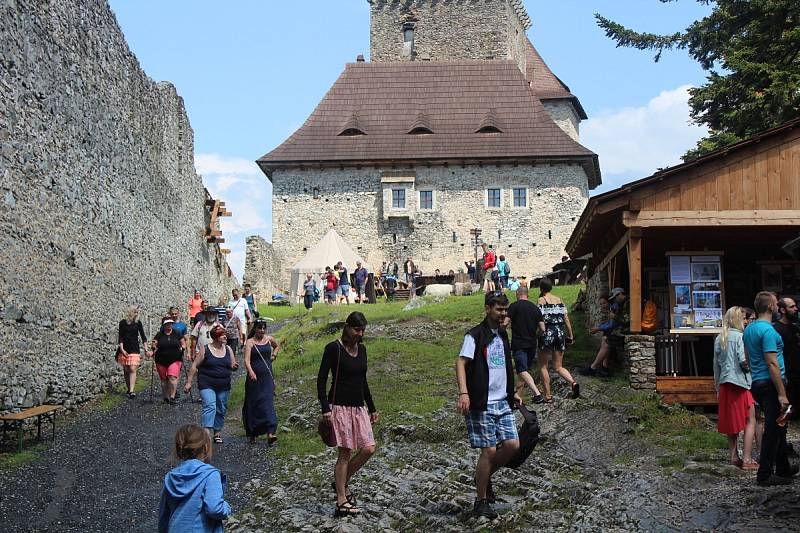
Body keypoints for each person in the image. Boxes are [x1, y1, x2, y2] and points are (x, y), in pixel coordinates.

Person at [456, 291, 521, 519]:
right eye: (498, 309)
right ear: (487, 309)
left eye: (505, 309)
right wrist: (464, 393)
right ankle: (481, 500)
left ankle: (482, 479)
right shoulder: (474, 335)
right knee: (490, 450)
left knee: (513, 445)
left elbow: (503, 366)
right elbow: (461, 363)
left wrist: (511, 392)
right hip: (482, 402)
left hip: (502, 400)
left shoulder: (502, 335)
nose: (502, 313)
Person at [317, 312, 378, 518]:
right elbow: (321, 380)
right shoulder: (333, 349)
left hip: (358, 407)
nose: (359, 334)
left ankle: (340, 482)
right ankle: (341, 500)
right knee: (345, 453)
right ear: (347, 327)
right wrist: (325, 407)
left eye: (362, 330)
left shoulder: (362, 349)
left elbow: (364, 380)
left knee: (369, 448)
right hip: (339, 408)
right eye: (356, 329)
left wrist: (372, 407)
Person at [743, 291, 797, 485]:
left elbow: (748, 358)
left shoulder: (749, 329)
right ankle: (765, 474)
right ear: (770, 307)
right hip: (771, 383)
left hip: (757, 381)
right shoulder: (768, 331)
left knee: (780, 426)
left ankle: (782, 468)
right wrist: (782, 393)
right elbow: (772, 362)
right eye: (776, 304)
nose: (777, 306)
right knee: (773, 429)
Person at [158, 424, 231, 532]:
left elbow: (164, 515)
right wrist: (226, 507)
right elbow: (214, 509)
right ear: (206, 447)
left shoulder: (171, 477)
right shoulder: (210, 475)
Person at [713, 307, 758, 469]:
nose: (746, 321)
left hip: (725, 384)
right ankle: (747, 459)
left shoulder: (720, 338)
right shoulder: (741, 337)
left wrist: (717, 387)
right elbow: (743, 360)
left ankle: (733, 456)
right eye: (744, 318)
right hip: (741, 383)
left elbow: (716, 366)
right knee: (750, 420)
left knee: (730, 423)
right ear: (738, 320)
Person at [185, 325, 238, 444]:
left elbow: (232, 364)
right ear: (215, 337)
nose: (225, 336)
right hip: (207, 383)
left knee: (221, 407)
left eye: (225, 334)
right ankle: (206, 432)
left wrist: (234, 366)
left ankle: (217, 432)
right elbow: (194, 366)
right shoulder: (205, 349)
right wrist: (188, 383)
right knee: (210, 405)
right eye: (222, 335)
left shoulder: (228, 349)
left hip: (223, 384)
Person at [538, 279, 580, 402]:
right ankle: (573, 382)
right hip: (560, 333)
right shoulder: (559, 300)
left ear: (541, 289)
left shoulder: (541, 300)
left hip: (547, 332)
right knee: (558, 366)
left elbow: (540, 319)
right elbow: (566, 319)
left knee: (543, 366)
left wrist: (537, 333)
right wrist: (571, 335)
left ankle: (548, 396)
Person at [505, 286, 545, 404]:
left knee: (522, 370)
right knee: (523, 372)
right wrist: (536, 336)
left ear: (517, 294)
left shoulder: (514, 306)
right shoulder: (535, 308)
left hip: (519, 343)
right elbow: (543, 328)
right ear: (528, 294)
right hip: (532, 344)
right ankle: (518, 398)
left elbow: (505, 323)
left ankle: (537, 394)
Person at [243, 319, 280, 444]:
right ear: (255, 329)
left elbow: (277, 345)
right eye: (259, 328)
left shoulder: (269, 339)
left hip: (267, 377)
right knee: (254, 403)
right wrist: (251, 371)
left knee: (267, 402)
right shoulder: (250, 342)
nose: (262, 331)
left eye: (264, 328)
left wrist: (274, 355)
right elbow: (247, 360)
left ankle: (270, 432)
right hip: (254, 378)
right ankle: (253, 432)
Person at [774, 297, 800, 421]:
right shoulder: (776, 329)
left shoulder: (795, 328)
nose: (795, 309)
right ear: (783, 310)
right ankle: (781, 437)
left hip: (797, 374)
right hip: (786, 375)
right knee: (785, 411)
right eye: (792, 307)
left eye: (795, 306)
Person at [117, 307, 150, 399]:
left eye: (137, 312)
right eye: (135, 312)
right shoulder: (122, 323)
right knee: (126, 369)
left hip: (134, 348)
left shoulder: (138, 323)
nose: (136, 313)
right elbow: (120, 337)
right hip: (124, 349)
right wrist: (122, 349)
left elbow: (143, 336)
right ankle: (128, 389)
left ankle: (131, 391)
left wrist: (146, 349)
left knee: (132, 368)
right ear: (130, 312)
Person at [153, 317, 186, 404]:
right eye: (167, 324)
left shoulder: (177, 333)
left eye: (170, 324)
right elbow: (154, 344)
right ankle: (165, 396)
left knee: (172, 377)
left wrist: (183, 348)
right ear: (163, 325)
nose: (169, 325)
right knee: (164, 379)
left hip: (175, 359)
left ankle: (172, 396)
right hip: (161, 360)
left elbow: (183, 343)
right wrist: (153, 348)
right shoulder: (159, 334)